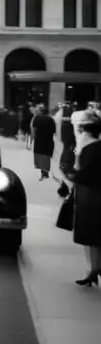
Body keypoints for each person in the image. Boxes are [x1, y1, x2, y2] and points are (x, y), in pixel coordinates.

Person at [58, 108, 101, 286]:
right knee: (94, 238)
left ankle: (93, 269)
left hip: (91, 199)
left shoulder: (89, 149)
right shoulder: (90, 148)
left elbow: (86, 175)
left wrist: (71, 176)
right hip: (90, 197)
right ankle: (93, 269)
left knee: (91, 236)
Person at [31, 104, 57, 181]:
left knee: (40, 156)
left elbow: (33, 130)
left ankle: (43, 173)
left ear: (39, 111)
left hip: (39, 141)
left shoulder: (37, 118)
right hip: (48, 140)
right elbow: (54, 131)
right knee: (46, 156)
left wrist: (32, 139)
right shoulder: (51, 119)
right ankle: (45, 173)